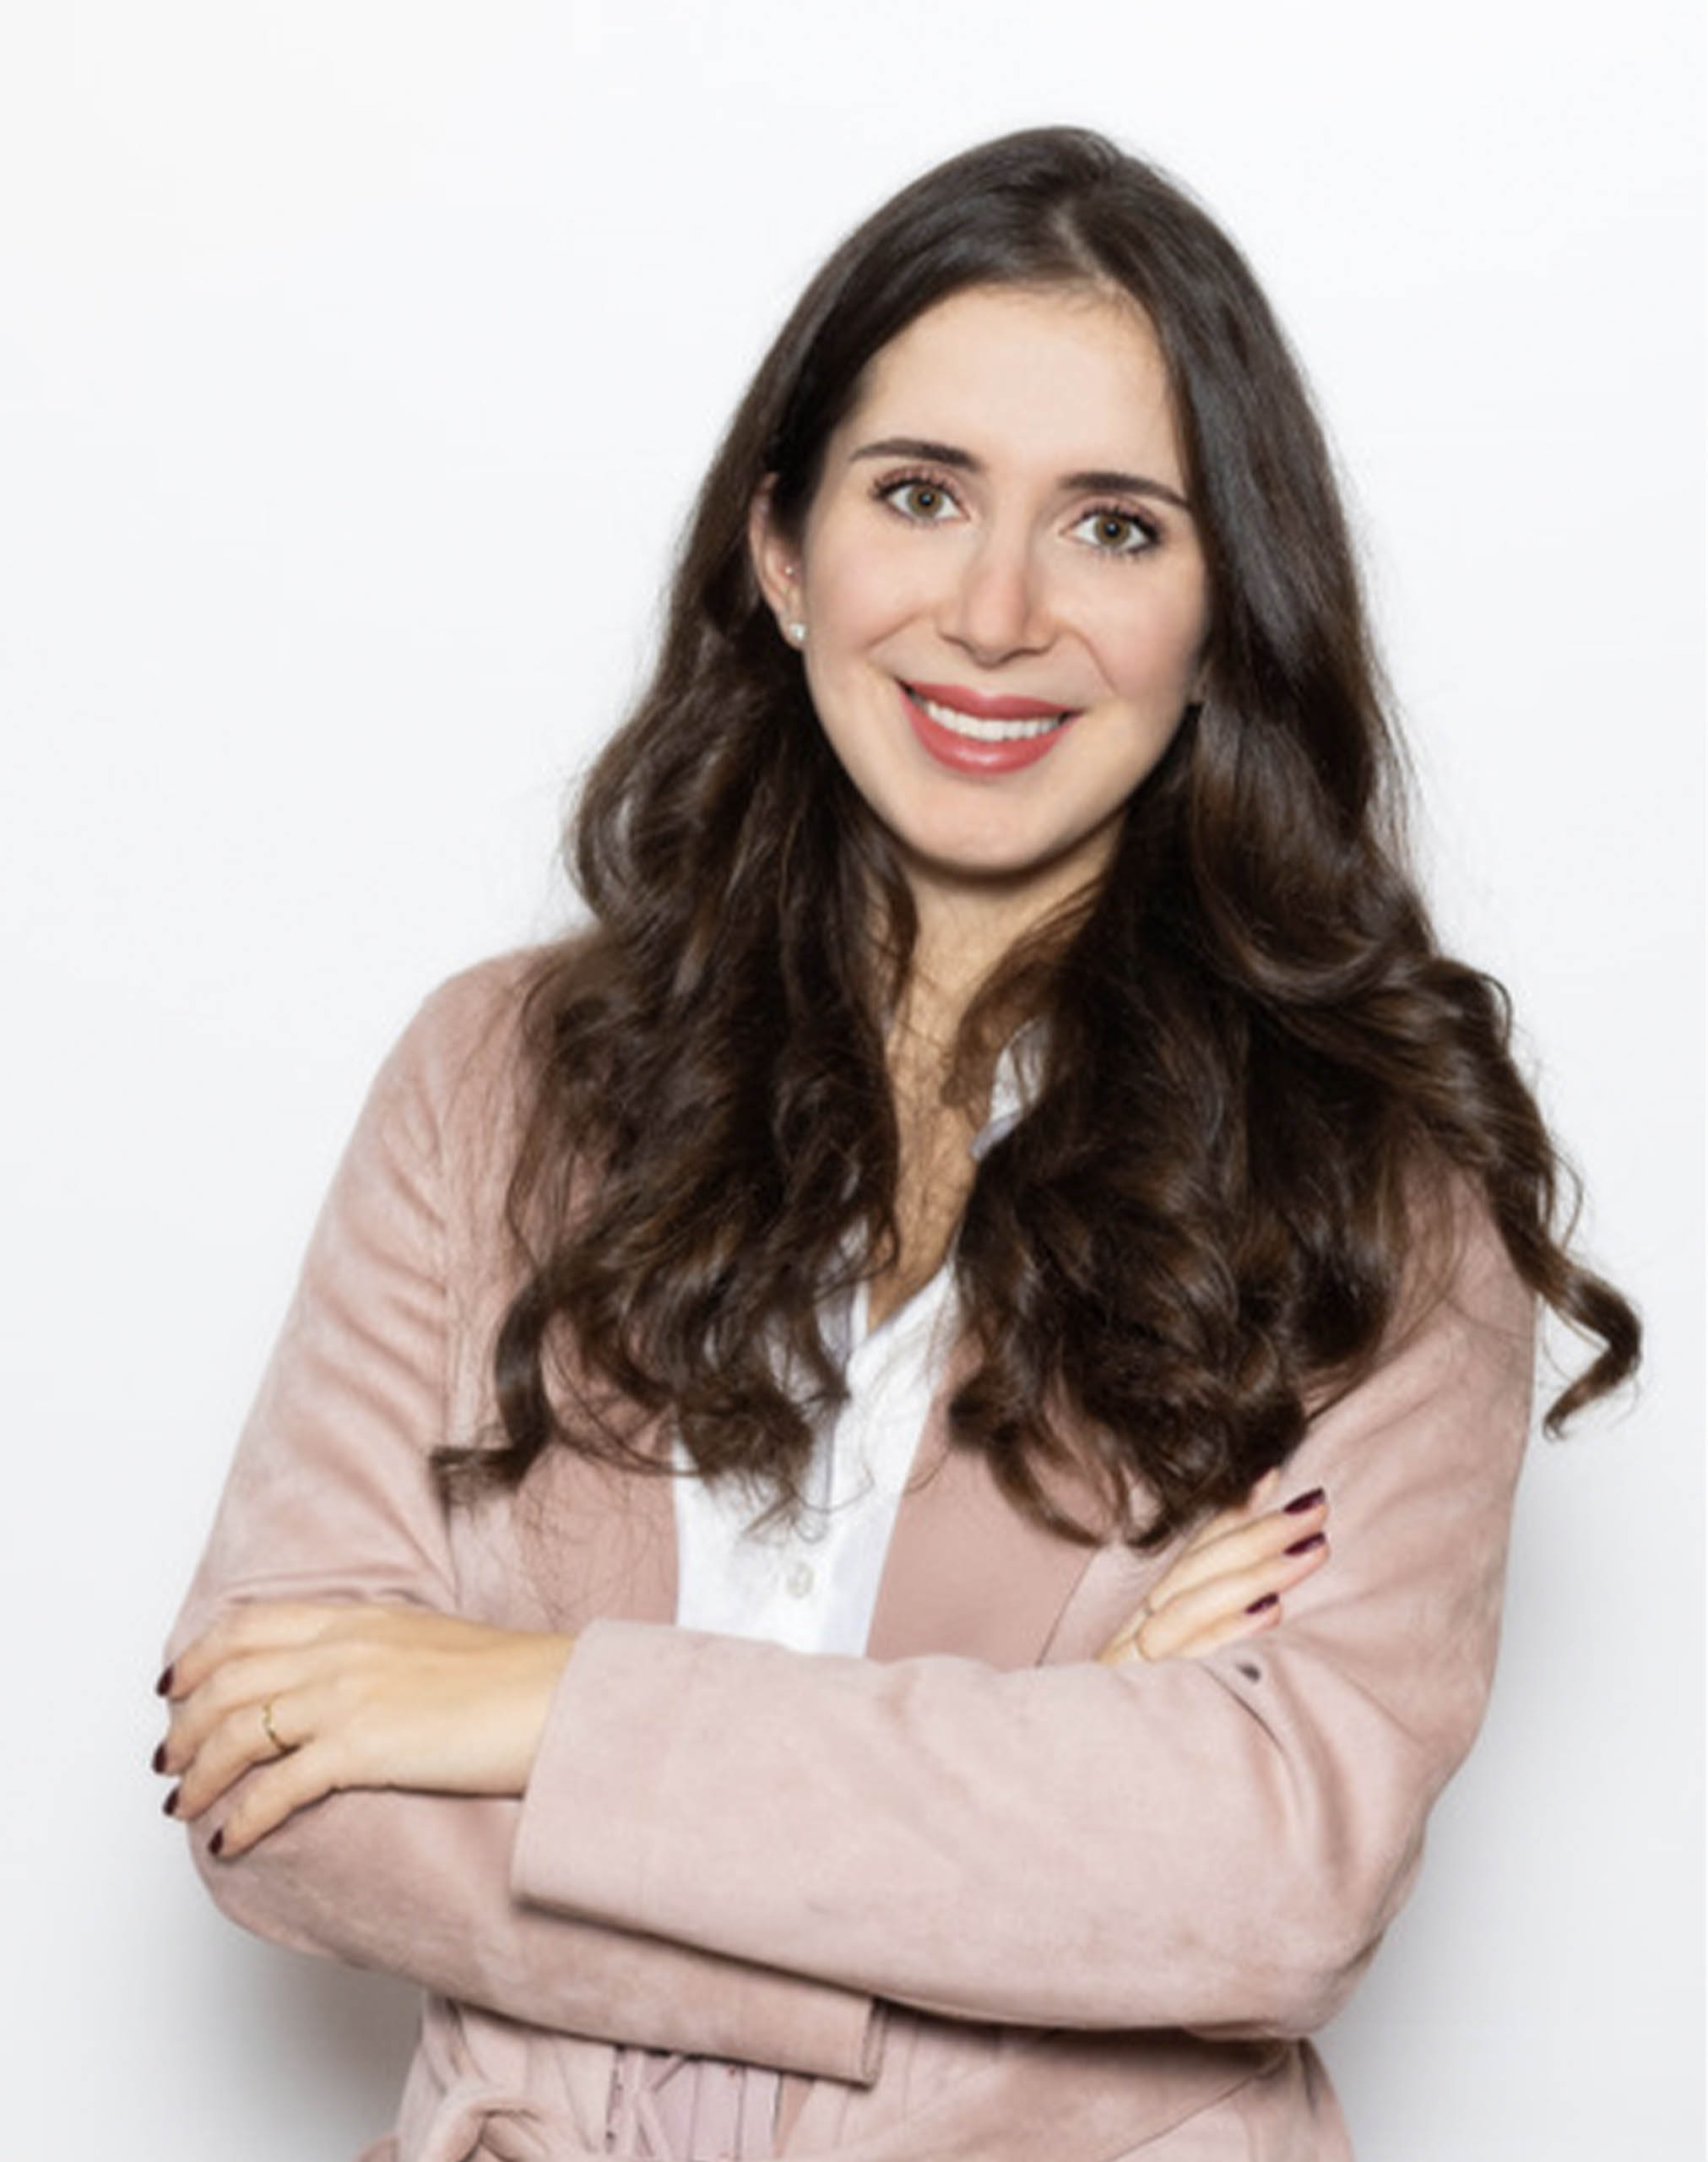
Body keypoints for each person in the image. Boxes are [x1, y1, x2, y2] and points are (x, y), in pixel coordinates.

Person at [155, 128, 1638, 2161]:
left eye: (1112, 526)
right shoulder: (494, 1078)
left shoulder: (1369, 1182)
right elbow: (274, 1785)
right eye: (920, 493)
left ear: (1224, 609)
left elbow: (1268, 1878)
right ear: (781, 549)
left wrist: (537, 1705)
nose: (996, 612)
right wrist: (1044, 1790)